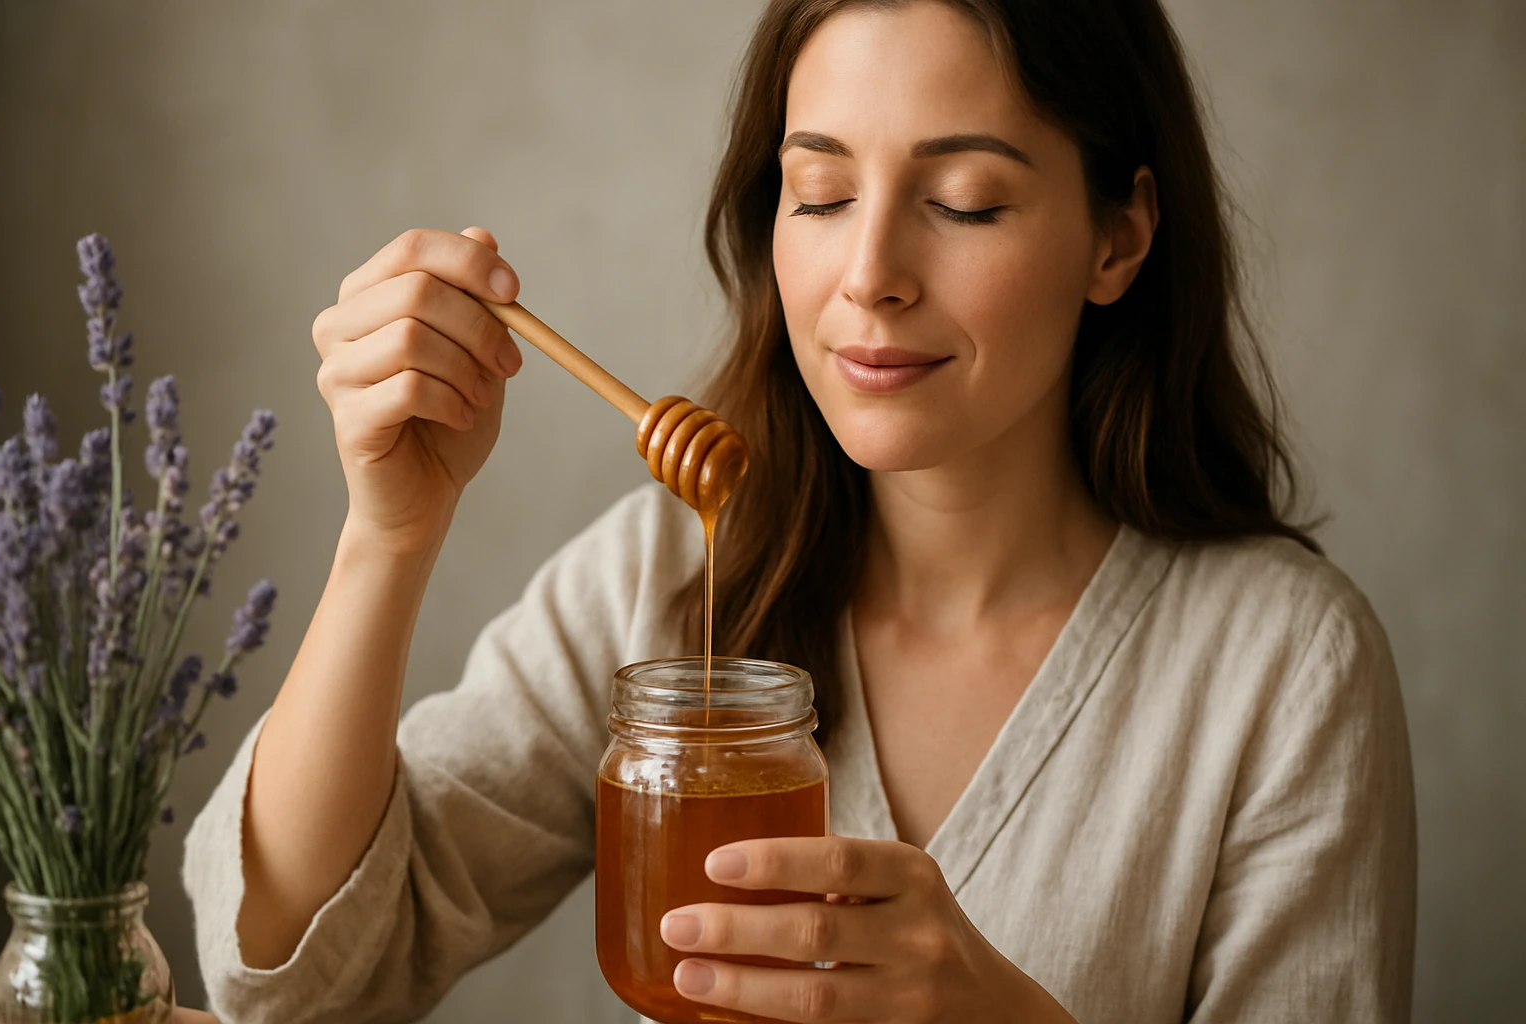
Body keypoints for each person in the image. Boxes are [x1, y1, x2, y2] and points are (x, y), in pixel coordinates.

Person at [182, 1, 1417, 1022]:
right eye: (820, 194)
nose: (869, 277)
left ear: (1118, 237)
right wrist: (388, 538)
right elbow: (296, 980)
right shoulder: (658, 579)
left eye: (965, 201)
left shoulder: (1284, 666)